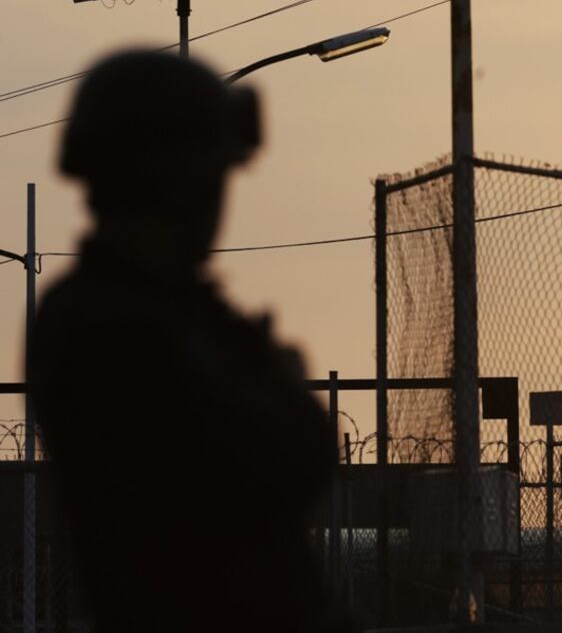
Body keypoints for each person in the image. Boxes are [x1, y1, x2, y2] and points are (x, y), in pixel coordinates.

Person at [28, 50, 339, 633]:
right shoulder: (116, 325)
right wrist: (277, 380)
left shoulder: (143, 309)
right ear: (179, 179)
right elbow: (292, 457)